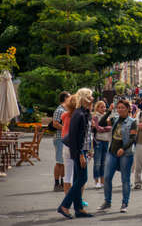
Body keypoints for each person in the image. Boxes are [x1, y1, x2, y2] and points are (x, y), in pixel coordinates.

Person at [57, 88, 94, 219]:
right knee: (82, 179)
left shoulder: (84, 112)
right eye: (90, 96)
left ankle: (79, 209)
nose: (93, 99)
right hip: (80, 151)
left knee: (78, 179)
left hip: (83, 150)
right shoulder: (79, 114)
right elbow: (75, 138)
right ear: (84, 98)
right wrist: (80, 154)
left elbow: (87, 134)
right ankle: (64, 205)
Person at [96, 99, 137, 213]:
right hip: (112, 152)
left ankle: (124, 203)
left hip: (126, 153)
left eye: (123, 108)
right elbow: (101, 123)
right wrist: (109, 111)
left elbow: (133, 138)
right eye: (118, 108)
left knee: (125, 179)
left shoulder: (132, 122)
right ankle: (107, 202)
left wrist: (123, 149)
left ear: (128, 109)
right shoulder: (114, 119)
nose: (120, 110)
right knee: (107, 177)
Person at [92, 101, 112, 189]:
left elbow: (110, 128)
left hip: (106, 141)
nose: (103, 109)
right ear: (97, 108)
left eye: (104, 107)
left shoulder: (108, 117)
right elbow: (98, 127)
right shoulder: (95, 116)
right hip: (98, 141)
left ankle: (102, 181)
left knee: (104, 163)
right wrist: (105, 128)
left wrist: (104, 128)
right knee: (97, 162)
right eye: (101, 107)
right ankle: (96, 181)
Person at [53, 91, 70, 192]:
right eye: (69, 97)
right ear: (65, 99)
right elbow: (55, 123)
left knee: (63, 162)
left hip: (64, 138)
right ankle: (56, 183)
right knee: (59, 162)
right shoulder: (59, 110)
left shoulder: (65, 109)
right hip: (59, 138)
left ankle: (63, 182)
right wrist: (65, 128)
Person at [61, 95, 76, 195]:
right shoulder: (76, 116)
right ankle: (77, 198)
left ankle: (67, 197)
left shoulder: (65, 115)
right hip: (73, 144)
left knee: (68, 173)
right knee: (77, 174)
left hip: (65, 143)